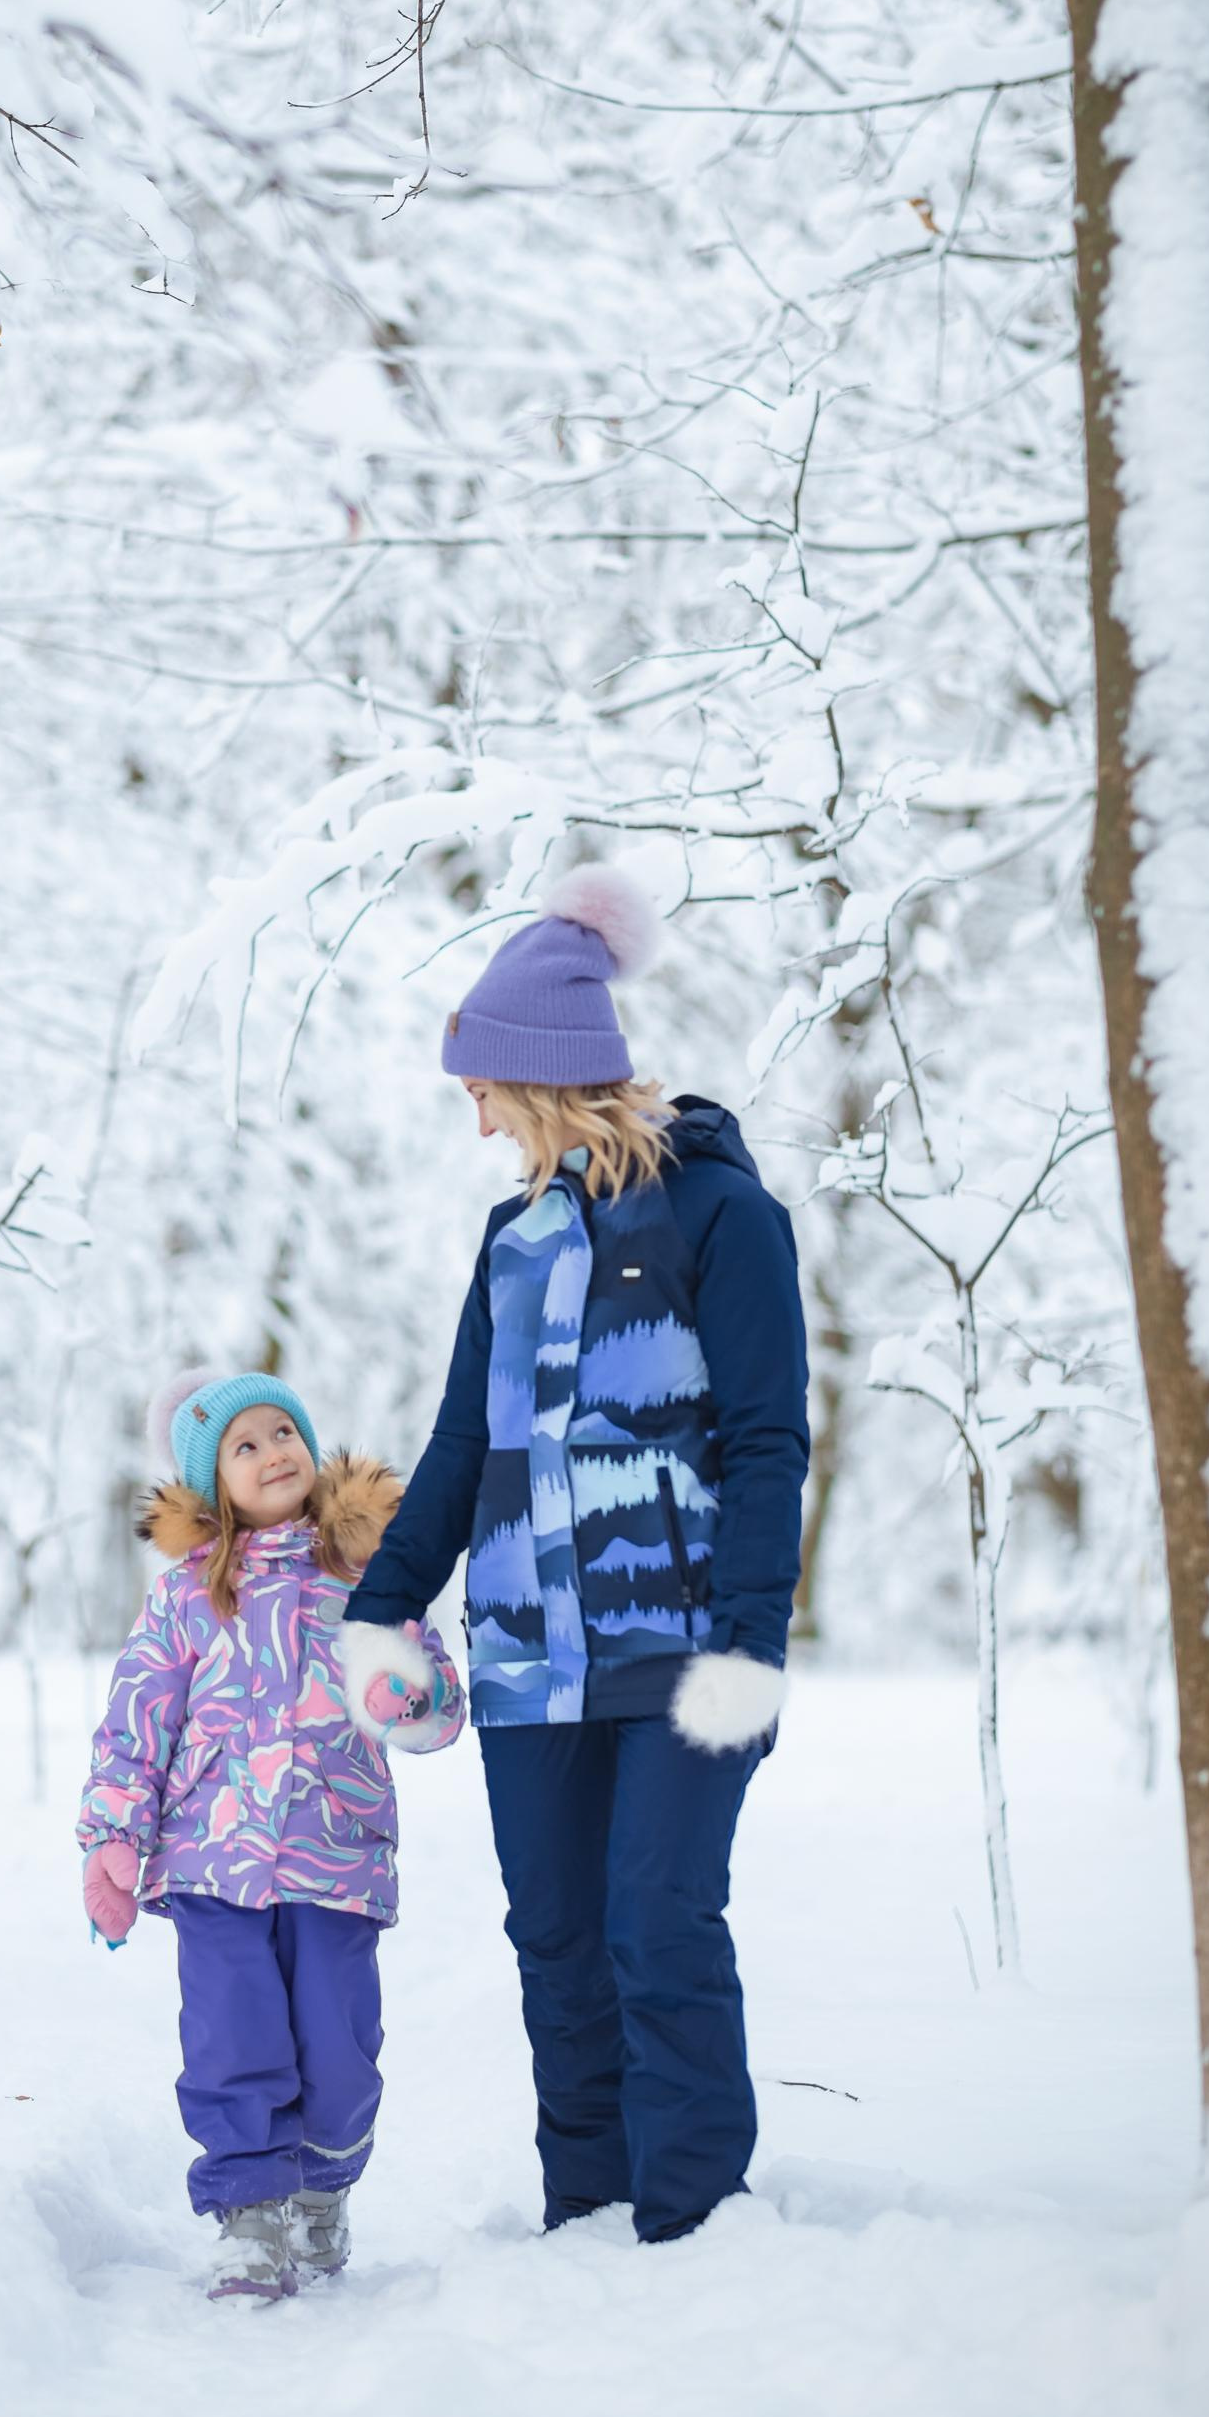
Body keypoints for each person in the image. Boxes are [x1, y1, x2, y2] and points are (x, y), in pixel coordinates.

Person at [337, 866, 808, 2245]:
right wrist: (378, 1613)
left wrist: (750, 1645)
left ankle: (694, 2233)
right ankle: (583, 2227)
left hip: (681, 1653)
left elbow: (768, 1442)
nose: (473, 1116)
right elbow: (456, 1452)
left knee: (658, 1928)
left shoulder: (724, 1217)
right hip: (532, 1657)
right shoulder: (513, 1239)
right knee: (559, 1953)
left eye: (482, 1087)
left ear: (540, 1077)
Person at [77, 1370, 465, 2301]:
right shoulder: (185, 1597)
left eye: (282, 1430)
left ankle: (323, 2184)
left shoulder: (370, 1577)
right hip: (212, 1861)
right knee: (230, 2037)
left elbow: (439, 1709)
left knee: (339, 2048)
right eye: (243, 1445)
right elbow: (136, 1720)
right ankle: (249, 2216)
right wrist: (113, 1835)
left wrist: (404, 1693)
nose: (272, 1452)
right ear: (215, 1482)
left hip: (336, 1854)